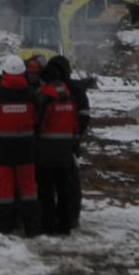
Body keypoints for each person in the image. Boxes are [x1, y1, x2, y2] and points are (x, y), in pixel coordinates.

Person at [0, 54, 44, 236]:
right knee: (28, 188)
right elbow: (37, 119)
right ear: (23, 73)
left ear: (4, 72)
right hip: (26, 150)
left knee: (4, 189)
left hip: (0, 150)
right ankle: (32, 228)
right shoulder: (31, 94)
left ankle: (5, 226)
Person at [36, 54, 88, 234]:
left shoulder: (46, 97)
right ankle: (67, 222)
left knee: (47, 188)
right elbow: (78, 121)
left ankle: (48, 224)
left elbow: (38, 122)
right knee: (65, 187)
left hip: (47, 149)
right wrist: (74, 139)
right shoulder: (70, 95)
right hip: (66, 148)